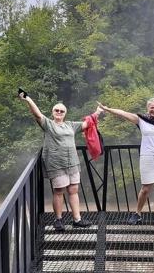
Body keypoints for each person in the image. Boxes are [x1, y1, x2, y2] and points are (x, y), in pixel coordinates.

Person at [98, 97, 154, 226]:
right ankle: (137, 214)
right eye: (151, 107)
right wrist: (107, 109)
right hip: (147, 155)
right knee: (146, 188)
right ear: (148, 108)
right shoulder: (141, 119)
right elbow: (123, 113)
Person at [19, 91, 103, 231]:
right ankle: (58, 220)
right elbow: (37, 114)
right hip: (56, 164)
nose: (59, 112)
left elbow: (87, 123)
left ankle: (77, 219)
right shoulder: (48, 125)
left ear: (65, 113)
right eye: (56, 110)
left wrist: (98, 111)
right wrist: (28, 99)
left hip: (73, 162)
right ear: (52, 112)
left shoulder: (70, 125)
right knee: (58, 191)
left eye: (62, 111)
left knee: (74, 190)